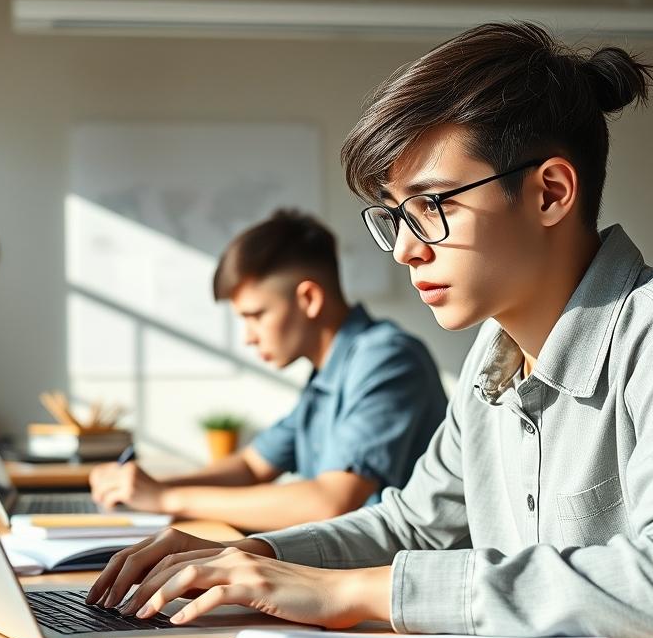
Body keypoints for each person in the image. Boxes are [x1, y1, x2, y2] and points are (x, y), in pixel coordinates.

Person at [85, 22, 653, 638]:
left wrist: (352, 591)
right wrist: (260, 557)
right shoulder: (492, 361)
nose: (406, 250)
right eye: (396, 216)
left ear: (550, 192)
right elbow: (413, 524)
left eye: (433, 206)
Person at [88, 208, 447, 532]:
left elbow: (330, 501)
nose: (248, 337)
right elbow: (252, 465)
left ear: (309, 299)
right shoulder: (326, 375)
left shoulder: (386, 358)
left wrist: (167, 500)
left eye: (256, 315)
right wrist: (150, 489)